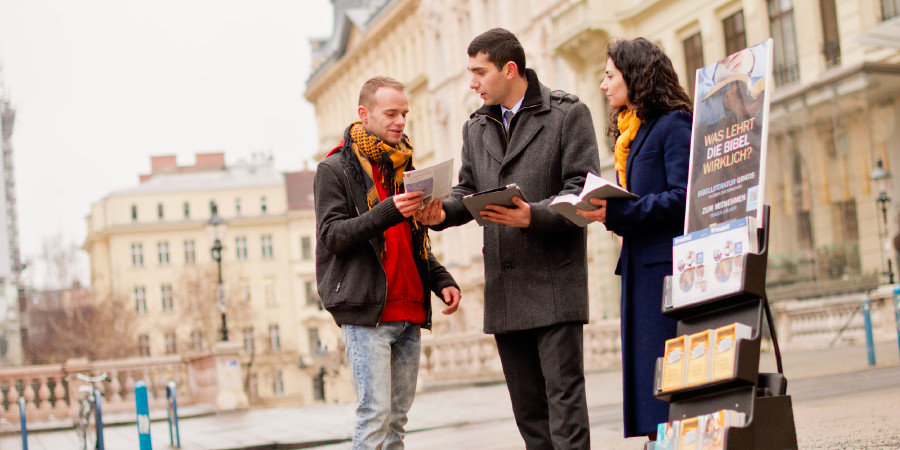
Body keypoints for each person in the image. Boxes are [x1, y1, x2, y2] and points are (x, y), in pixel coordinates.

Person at [417, 28, 600, 449]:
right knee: (530, 419)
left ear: (510, 69)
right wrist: (442, 212)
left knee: (565, 413)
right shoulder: (476, 126)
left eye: (479, 72)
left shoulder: (568, 114)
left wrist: (532, 216)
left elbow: (583, 191)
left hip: (556, 285)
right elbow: (468, 190)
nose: (472, 82)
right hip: (505, 288)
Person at [314, 76, 462, 449]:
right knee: (374, 418)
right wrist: (385, 212)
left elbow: (412, 240)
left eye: (404, 114)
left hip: (410, 310)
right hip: (368, 313)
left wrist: (441, 278)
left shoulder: (405, 167)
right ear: (364, 114)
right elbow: (332, 236)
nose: (400, 121)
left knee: (396, 423)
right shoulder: (334, 169)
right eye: (391, 113)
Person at [575, 37, 693, 440]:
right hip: (641, 267)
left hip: (668, 270)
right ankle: (659, 441)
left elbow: (683, 197)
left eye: (610, 76)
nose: (604, 85)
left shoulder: (674, 123)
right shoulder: (632, 131)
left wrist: (619, 210)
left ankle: (673, 440)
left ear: (636, 75)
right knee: (647, 370)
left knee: (665, 366)